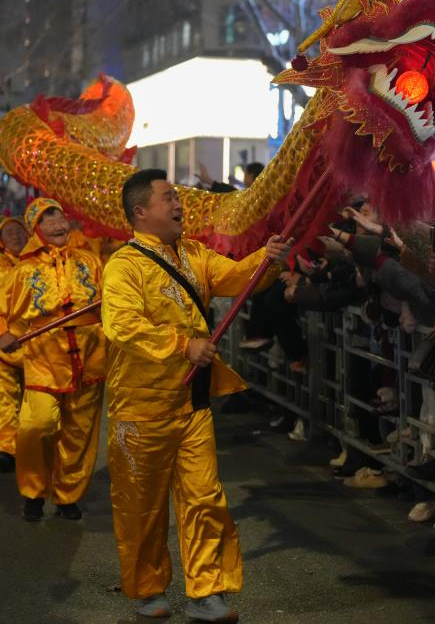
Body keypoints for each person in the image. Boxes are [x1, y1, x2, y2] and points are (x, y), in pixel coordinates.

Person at [101, 169, 292, 621]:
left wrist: (267, 258)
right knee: (142, 507)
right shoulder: (124, 266)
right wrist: (183, 346)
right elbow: (122, 325)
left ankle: (207, 591)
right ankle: (148, 589)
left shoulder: (194, 254)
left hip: (193, 405)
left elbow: (236, 277)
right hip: (141, 408)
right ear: (140, 212)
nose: (179, 204)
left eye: (177, 196)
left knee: (205, 497)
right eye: (169, 197)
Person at [0, 199, 105, 522]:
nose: (58, 224)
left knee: (79, 434)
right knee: (38, 425)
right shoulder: (22, 271)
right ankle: (33, 490)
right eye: (48, 220)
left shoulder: (90, 261)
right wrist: (4, 333)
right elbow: (3, 310)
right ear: (36, 229)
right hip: (43, 361)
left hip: (90, 360)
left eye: (60, 217)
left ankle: (67, 497)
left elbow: (110, 303)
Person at [0, 216, 28, 472]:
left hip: (39, 345)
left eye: (20, 231)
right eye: (9, 233)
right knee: (6, 397)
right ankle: (8, 449)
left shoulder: (40, 262)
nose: (16, 236)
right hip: (6, 344)